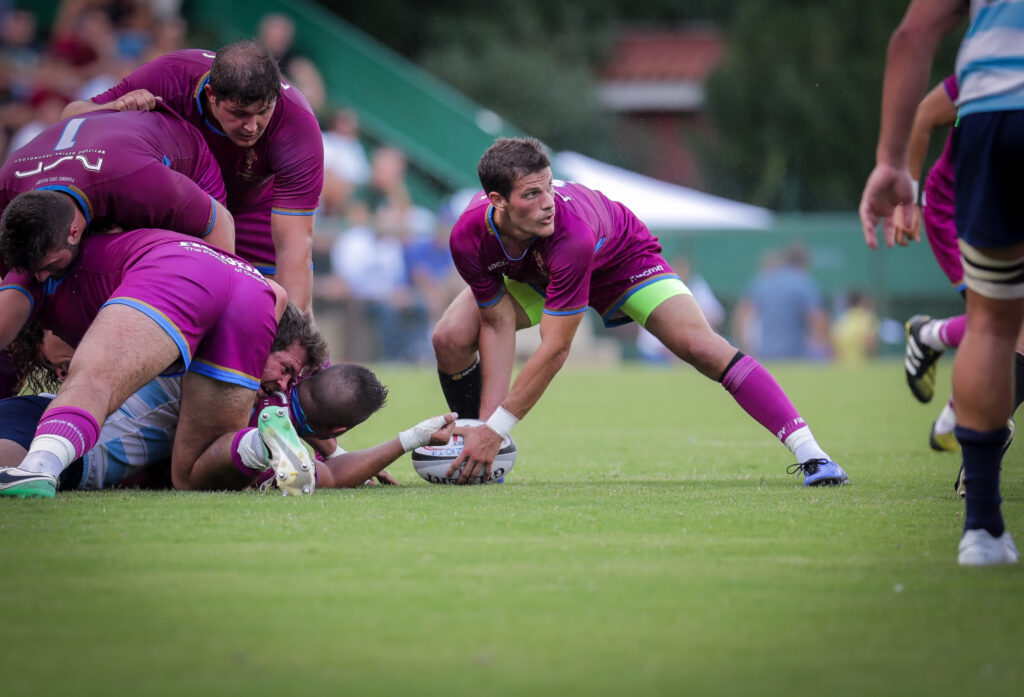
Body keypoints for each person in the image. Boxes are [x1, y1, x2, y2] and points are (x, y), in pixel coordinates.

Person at [433, 137, 847, 487]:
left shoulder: (570, 231)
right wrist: (487, 430)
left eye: (548, 189)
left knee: (701, 347)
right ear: (496, 201)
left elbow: (555, 350)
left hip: (622, 261)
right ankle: (479, 458)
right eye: (532, 194)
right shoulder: (467, 236)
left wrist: (497, 430)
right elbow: (497, 322)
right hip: (538, 275)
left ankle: (811, 453)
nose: (548, 204)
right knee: (449, 337)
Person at [0, 196, 326, 499]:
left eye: (49, 267)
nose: (43, 275)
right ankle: (259, 443)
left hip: (177, 273)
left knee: (91, 382)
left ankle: (38, 468)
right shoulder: (112, 243)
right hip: (250, 287)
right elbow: (277, 294)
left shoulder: (34, 280)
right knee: (191, 473)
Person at [859, 0, 1022, 565]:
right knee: (1001, 324)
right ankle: (943, 371)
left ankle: (982, 526)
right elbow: (927, 111)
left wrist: (890, 167)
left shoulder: (988, 58)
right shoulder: (969, 81)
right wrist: (910, 187)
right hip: (960, 198)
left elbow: (913, 32)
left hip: (991, 131)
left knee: (1001, 325)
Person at [60, 40, 324, 316]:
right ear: (211, 94)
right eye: (239, 113)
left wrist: (294, 338)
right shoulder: (169, 75)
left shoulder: (298, 124)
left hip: (254, 210)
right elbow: (69, 119)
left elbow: (294, 246)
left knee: (285, 314)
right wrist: (115, 108)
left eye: (263, 112)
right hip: (180, 207)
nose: (251, 126)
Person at [0, 363, 457, 492]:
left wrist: (334, 452)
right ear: (337, 426)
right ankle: (256, 447)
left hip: (56, 408)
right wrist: (413, 437)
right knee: (222, 458)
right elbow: (332, 477)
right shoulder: (294, 443)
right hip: (87, 455)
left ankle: (258, 443)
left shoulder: (251, 366)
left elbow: (331, 457)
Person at [732, 244, 830, 360]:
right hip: (795, 354)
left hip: (765, 353)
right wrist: (824, 348)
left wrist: (745, 347)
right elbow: (816, 318)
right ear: (805, 262)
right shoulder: (803, 282)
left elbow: (743, 314)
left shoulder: (763, 280)